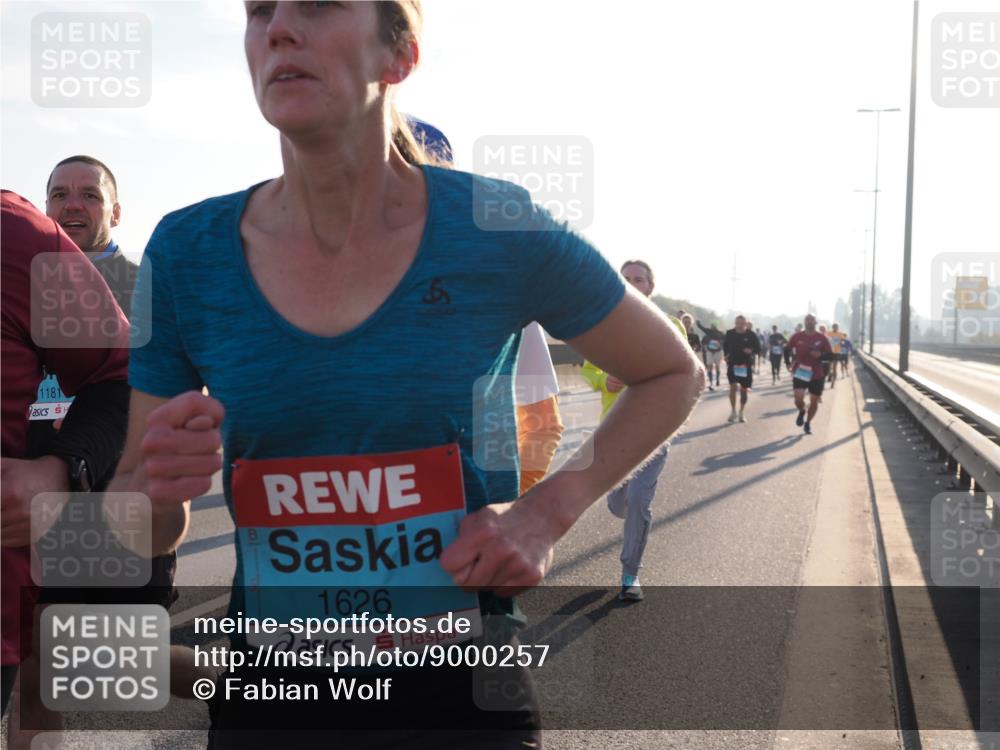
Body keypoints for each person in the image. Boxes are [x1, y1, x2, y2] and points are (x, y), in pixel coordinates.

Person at [104, 3, 704, 747]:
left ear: (401, 55)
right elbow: (142, 525)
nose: (278, 28)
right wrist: (154, 490)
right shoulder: (186, 251)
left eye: (318, 3)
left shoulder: (496, 226)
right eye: (260, 10)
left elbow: (671, 372)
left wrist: (547, 512)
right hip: (277, 692)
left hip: (461, 688)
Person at [1, 191, 130, 736]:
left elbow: (130, 377)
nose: (73, 206)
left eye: (90, 195)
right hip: (45, 507)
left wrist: (60, 468)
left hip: (95, 496)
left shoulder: (22, 238)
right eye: (60, 193)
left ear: (115, 212)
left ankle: (218, 685)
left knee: (96, 660)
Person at [581, 260, 684, 602]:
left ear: (650, 286)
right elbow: (587, 369)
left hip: (655, 429)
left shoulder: (670, 326)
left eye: (638, 279)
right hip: (614, 430)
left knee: (639, 500)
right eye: (625, 278)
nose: (631, 283)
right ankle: (629, 516)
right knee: (619, 504)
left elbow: (682, 372)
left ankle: (630, 574)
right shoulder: (603, 324)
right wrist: (603, 380)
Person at [788, 314, 833, 435]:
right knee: (798, 397)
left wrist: (820, 355)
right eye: (807, 320)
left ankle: (808, 423)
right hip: (801, 371)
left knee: (814, 400)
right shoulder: (797, 336)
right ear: (804, 322)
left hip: (816, 373)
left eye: (811, 320)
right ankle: (802, 410)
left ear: (815, 322)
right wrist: (788, 363)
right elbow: (787, 348)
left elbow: (830, 356)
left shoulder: (822, 338)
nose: (809, 322)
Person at [723, 315, 760, 423]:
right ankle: (733, 411)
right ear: (735, 323)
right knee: (733, 387)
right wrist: (726, 354)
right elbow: (725, 345)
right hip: (733, 364)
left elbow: (758, 348)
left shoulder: (751, 334)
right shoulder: (729, 333)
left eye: (742, 323)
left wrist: (751, 350)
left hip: (745, 365)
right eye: (737, 323)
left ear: (745, 324)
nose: (739, 325)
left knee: (744, 391)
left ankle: (741, 412)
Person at [697, 320, 724, 391]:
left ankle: (717, 379)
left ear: (716, 326)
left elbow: (725, 340)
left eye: (714, 325)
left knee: (717, 366)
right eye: (712, 325)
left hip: (718, 352)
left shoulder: (720, 333)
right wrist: (698, 324)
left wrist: (720, 343)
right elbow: (702, 328)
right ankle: (711, 383)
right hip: (710, 351)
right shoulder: (708, 331)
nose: (713, 326)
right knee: (710, 366)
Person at [825, 322, 846, 387]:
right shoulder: (828, 333)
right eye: (834, 327)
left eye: (836, 327)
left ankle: (833, 382)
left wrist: (842, 343)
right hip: (829, 352)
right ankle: (830, 374)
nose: (835, 328)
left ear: (838, 327)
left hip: (837, 352)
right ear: (832, 327)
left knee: (834, 367)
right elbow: (825, 340)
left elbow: (843, 341)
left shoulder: (840, 334)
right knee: (829, 367)